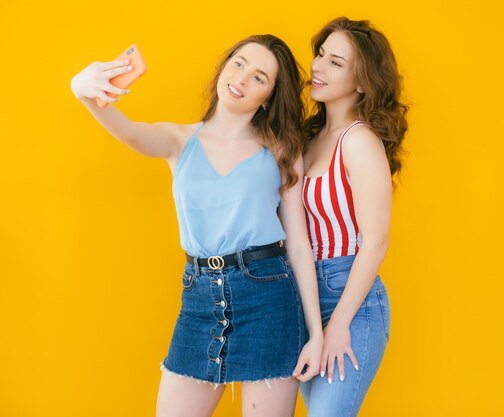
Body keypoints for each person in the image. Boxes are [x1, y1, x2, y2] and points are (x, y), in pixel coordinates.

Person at [70, 34, 323, 417]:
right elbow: (128, 131)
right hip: (199, 299)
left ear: (268, 96)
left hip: (268, 297)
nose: (241, 77)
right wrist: (84, 91)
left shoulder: (282, 150)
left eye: (259, 77)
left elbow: (299, 244)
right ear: (225, 66)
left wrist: (316, 333)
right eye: (239, 62)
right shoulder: (178, 139)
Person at [298, 17, 409, 417]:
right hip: (307, 297)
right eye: (321, 55)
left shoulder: (359, 141)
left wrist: (339, 324)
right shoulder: (310, 138)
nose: (318, 67)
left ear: (362, 82)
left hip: (352, 301)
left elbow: (376, 240)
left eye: (336, 62)